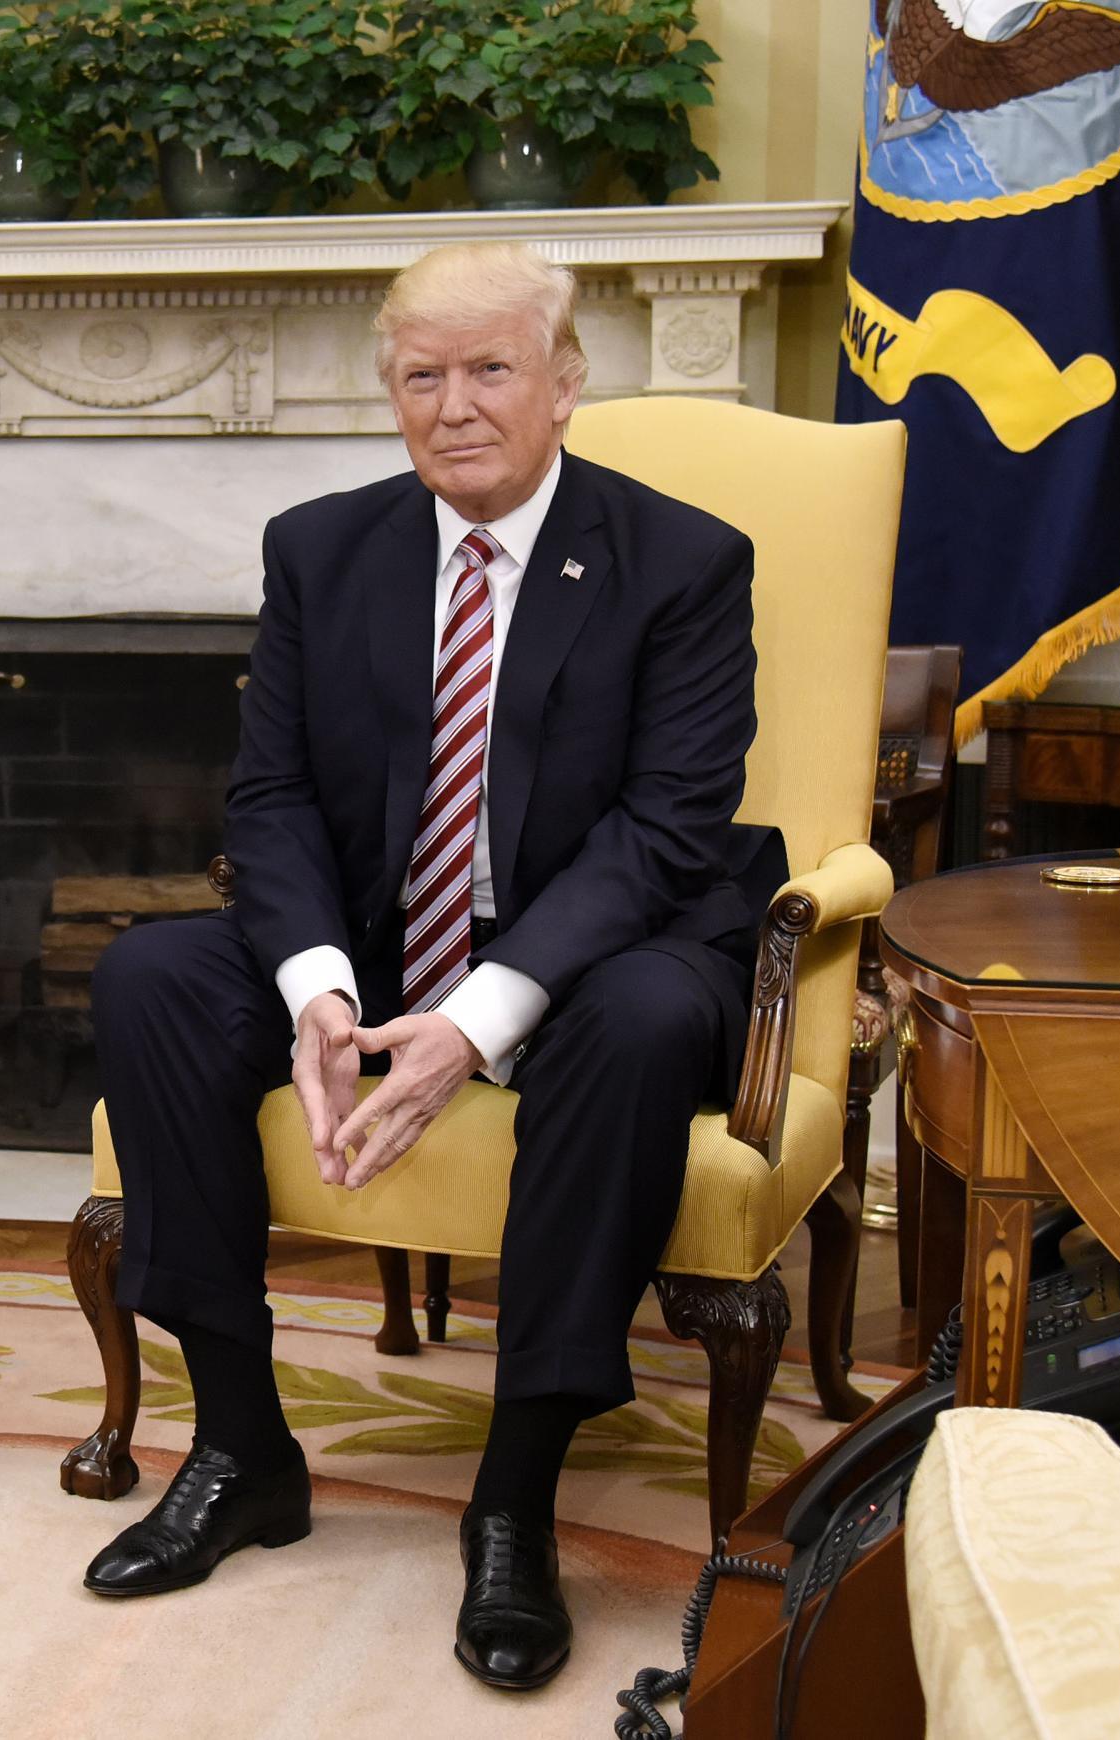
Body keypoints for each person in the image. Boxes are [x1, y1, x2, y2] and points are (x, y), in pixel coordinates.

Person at [79, 242, 787, 1692]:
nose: (453, 404)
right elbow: (269, 799)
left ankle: (516, 1496)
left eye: (489, 368)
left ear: (566, 383)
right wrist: (319, 991)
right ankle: (240, 1446)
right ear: (390, 395)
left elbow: (668, 829)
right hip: (384, 934)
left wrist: (473, 1021)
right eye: (421, 375)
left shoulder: (686, 563)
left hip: (610, 949)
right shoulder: (322, 548)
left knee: (647, 1019)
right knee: (153, 978)